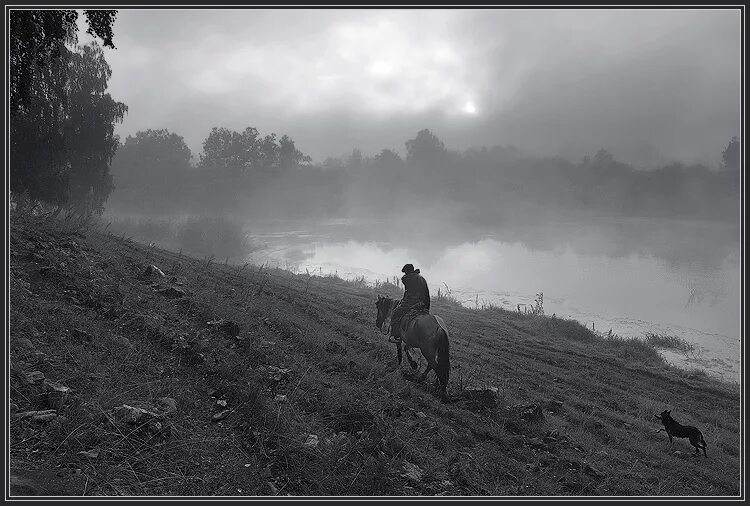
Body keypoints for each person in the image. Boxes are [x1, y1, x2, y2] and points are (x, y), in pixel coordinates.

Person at [390, 263, 430, 340]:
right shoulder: (422, 278)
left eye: (405, 272)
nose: (405, 274)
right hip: (423, 304)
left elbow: (404, 279)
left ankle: (394, 335)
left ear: (407, 272)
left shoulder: (407, 279)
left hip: (412, 303)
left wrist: (411, 274)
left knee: (395, 313)